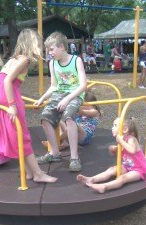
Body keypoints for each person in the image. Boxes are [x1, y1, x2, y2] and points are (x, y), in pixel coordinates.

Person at [0, 28, 57, 183]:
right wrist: (13, 104)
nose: (41, 48)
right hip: (8, 96)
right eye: (39, 44)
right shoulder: (24, 60)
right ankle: (38, 174)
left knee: (16, 134)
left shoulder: (14, 58)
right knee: (22, 135)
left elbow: (2, 80)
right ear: (32, 44)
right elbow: (7, 82)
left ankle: (28, 172)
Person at [34, 31, 87, 172]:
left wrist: (67, 99)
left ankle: (74, 157)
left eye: (51, 49)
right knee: (45, 118)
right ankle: (55, 153)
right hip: (59, 93)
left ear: (62, 47)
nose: (49, 53)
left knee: (68, 117)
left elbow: (83, 85)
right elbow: (54, 86)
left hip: (74, 93)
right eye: (48, 50)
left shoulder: (76, 60)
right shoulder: (52, 63)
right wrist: (42, 98)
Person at [77, 117, 146, 194]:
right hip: (128, 166)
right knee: (111, 169)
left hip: (139, 169)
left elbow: (132, 150)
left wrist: (120, 141)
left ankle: (104, 186)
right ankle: (92, 179)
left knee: (122, 178)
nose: (112, 128)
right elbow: (116, 156)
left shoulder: (131, 139)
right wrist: (114, 150)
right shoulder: (122, 139)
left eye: (115, 125)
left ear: (125, 129)